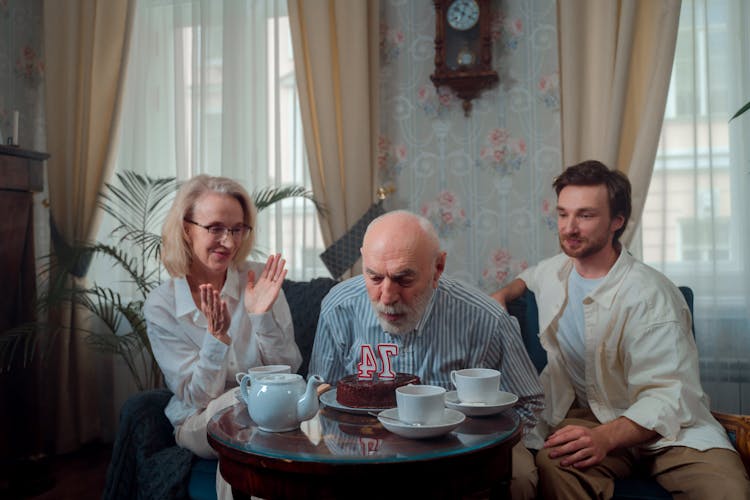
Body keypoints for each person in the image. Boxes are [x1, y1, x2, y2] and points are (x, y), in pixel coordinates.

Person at [491, 160, 750, 499]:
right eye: (563, 214)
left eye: (585, 215)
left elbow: (670, 395)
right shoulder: (557, 272)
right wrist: (502, 294)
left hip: (672, 429)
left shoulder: (652, 295)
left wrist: (606, 438)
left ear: (617, 221)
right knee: (557, 464)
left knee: (726, 493)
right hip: (594, 416)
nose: (569, 228)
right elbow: (530, 277)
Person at [308, 210, 544, 499]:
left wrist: (472, 446)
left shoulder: (486, 318)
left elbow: (528, 401)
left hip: (464, 448)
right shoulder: (338, 308)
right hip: (365, 447)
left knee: (519, 479)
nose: (387, 296)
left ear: (438, 268)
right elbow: (320, 393)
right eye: (374, 277)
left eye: (403, 280)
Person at [144, 174, 302, 499]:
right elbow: (197, 397)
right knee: (238, 407)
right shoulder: (161, 304)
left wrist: (261, 317)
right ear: (187, 228)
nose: (229, 242)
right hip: (198, 419)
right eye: (215, 228)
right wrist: (216, 340)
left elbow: (289, 370)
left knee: (254, 422)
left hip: (266, 414)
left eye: (237, 229)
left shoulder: (259, 280)